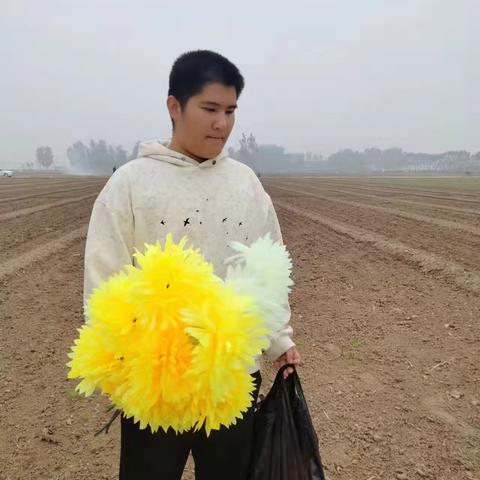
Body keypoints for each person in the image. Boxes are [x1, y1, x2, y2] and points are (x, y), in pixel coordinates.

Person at [83, 50, 301, 480]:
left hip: (232, 379)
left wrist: (280, 340)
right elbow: (104, 280)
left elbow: (266, 268)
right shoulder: (131, 183)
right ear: (174, 107)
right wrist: (122, 362)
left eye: (231, 111)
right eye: (210, 109)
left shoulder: (245, 183)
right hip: (158, 385)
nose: (222, 123)